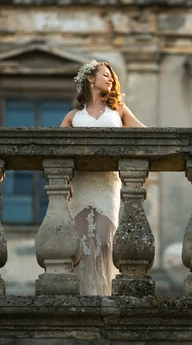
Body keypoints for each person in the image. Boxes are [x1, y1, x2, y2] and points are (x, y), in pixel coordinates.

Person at [60, 60, 145, 296]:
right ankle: (82, 296)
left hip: (107, 183)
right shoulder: (72, 117)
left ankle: (105, 294)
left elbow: (146, 135)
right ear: (90, 79)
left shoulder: (119, 110)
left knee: (106, 242)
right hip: (82, 184)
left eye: (112, 77)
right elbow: (55, 149)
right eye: (105, 75)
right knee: (82, 245)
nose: (111, 79)